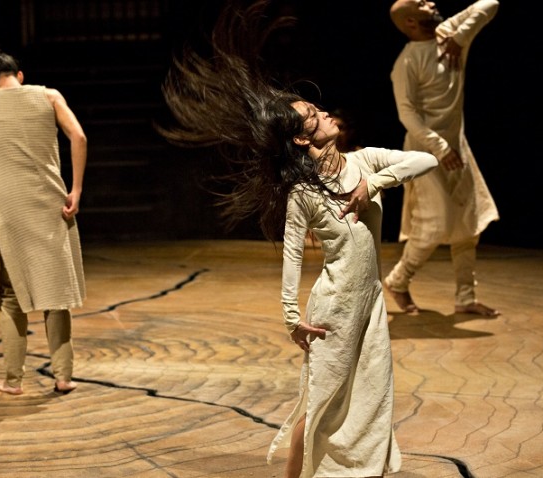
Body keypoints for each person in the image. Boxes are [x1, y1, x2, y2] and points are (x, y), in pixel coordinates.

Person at [158, 1, 438, 476]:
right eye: (314, 115)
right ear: (304, 140)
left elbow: (424, 161)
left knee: (371, 394)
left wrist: (377, 184)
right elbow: (291, 259)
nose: (325, 113)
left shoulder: (365, 162)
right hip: (332, 312)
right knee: (319, 405)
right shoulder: (303, 193)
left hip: (369, 304)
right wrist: (292, 320)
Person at [0, 40, 87, 395]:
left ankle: (13, 381)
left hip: (11, 209)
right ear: (19, 76)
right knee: (56, 296)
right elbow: (78, 135)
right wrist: (75, 190)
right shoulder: (49, 97)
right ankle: (63, 378)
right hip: (52, 205)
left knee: (12, 298)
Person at [384, 0, 501, 317]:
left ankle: (465, 298)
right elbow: (407, 115)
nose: (431, 3)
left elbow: (490, 4)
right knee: (434, 224)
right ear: (410, 21)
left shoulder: (450, 33)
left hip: (457, 148)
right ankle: (398, 280)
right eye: (421, 3)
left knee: (468, 225)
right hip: (424, 153)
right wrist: (438, 146)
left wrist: (461, 36)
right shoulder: (406, 62)